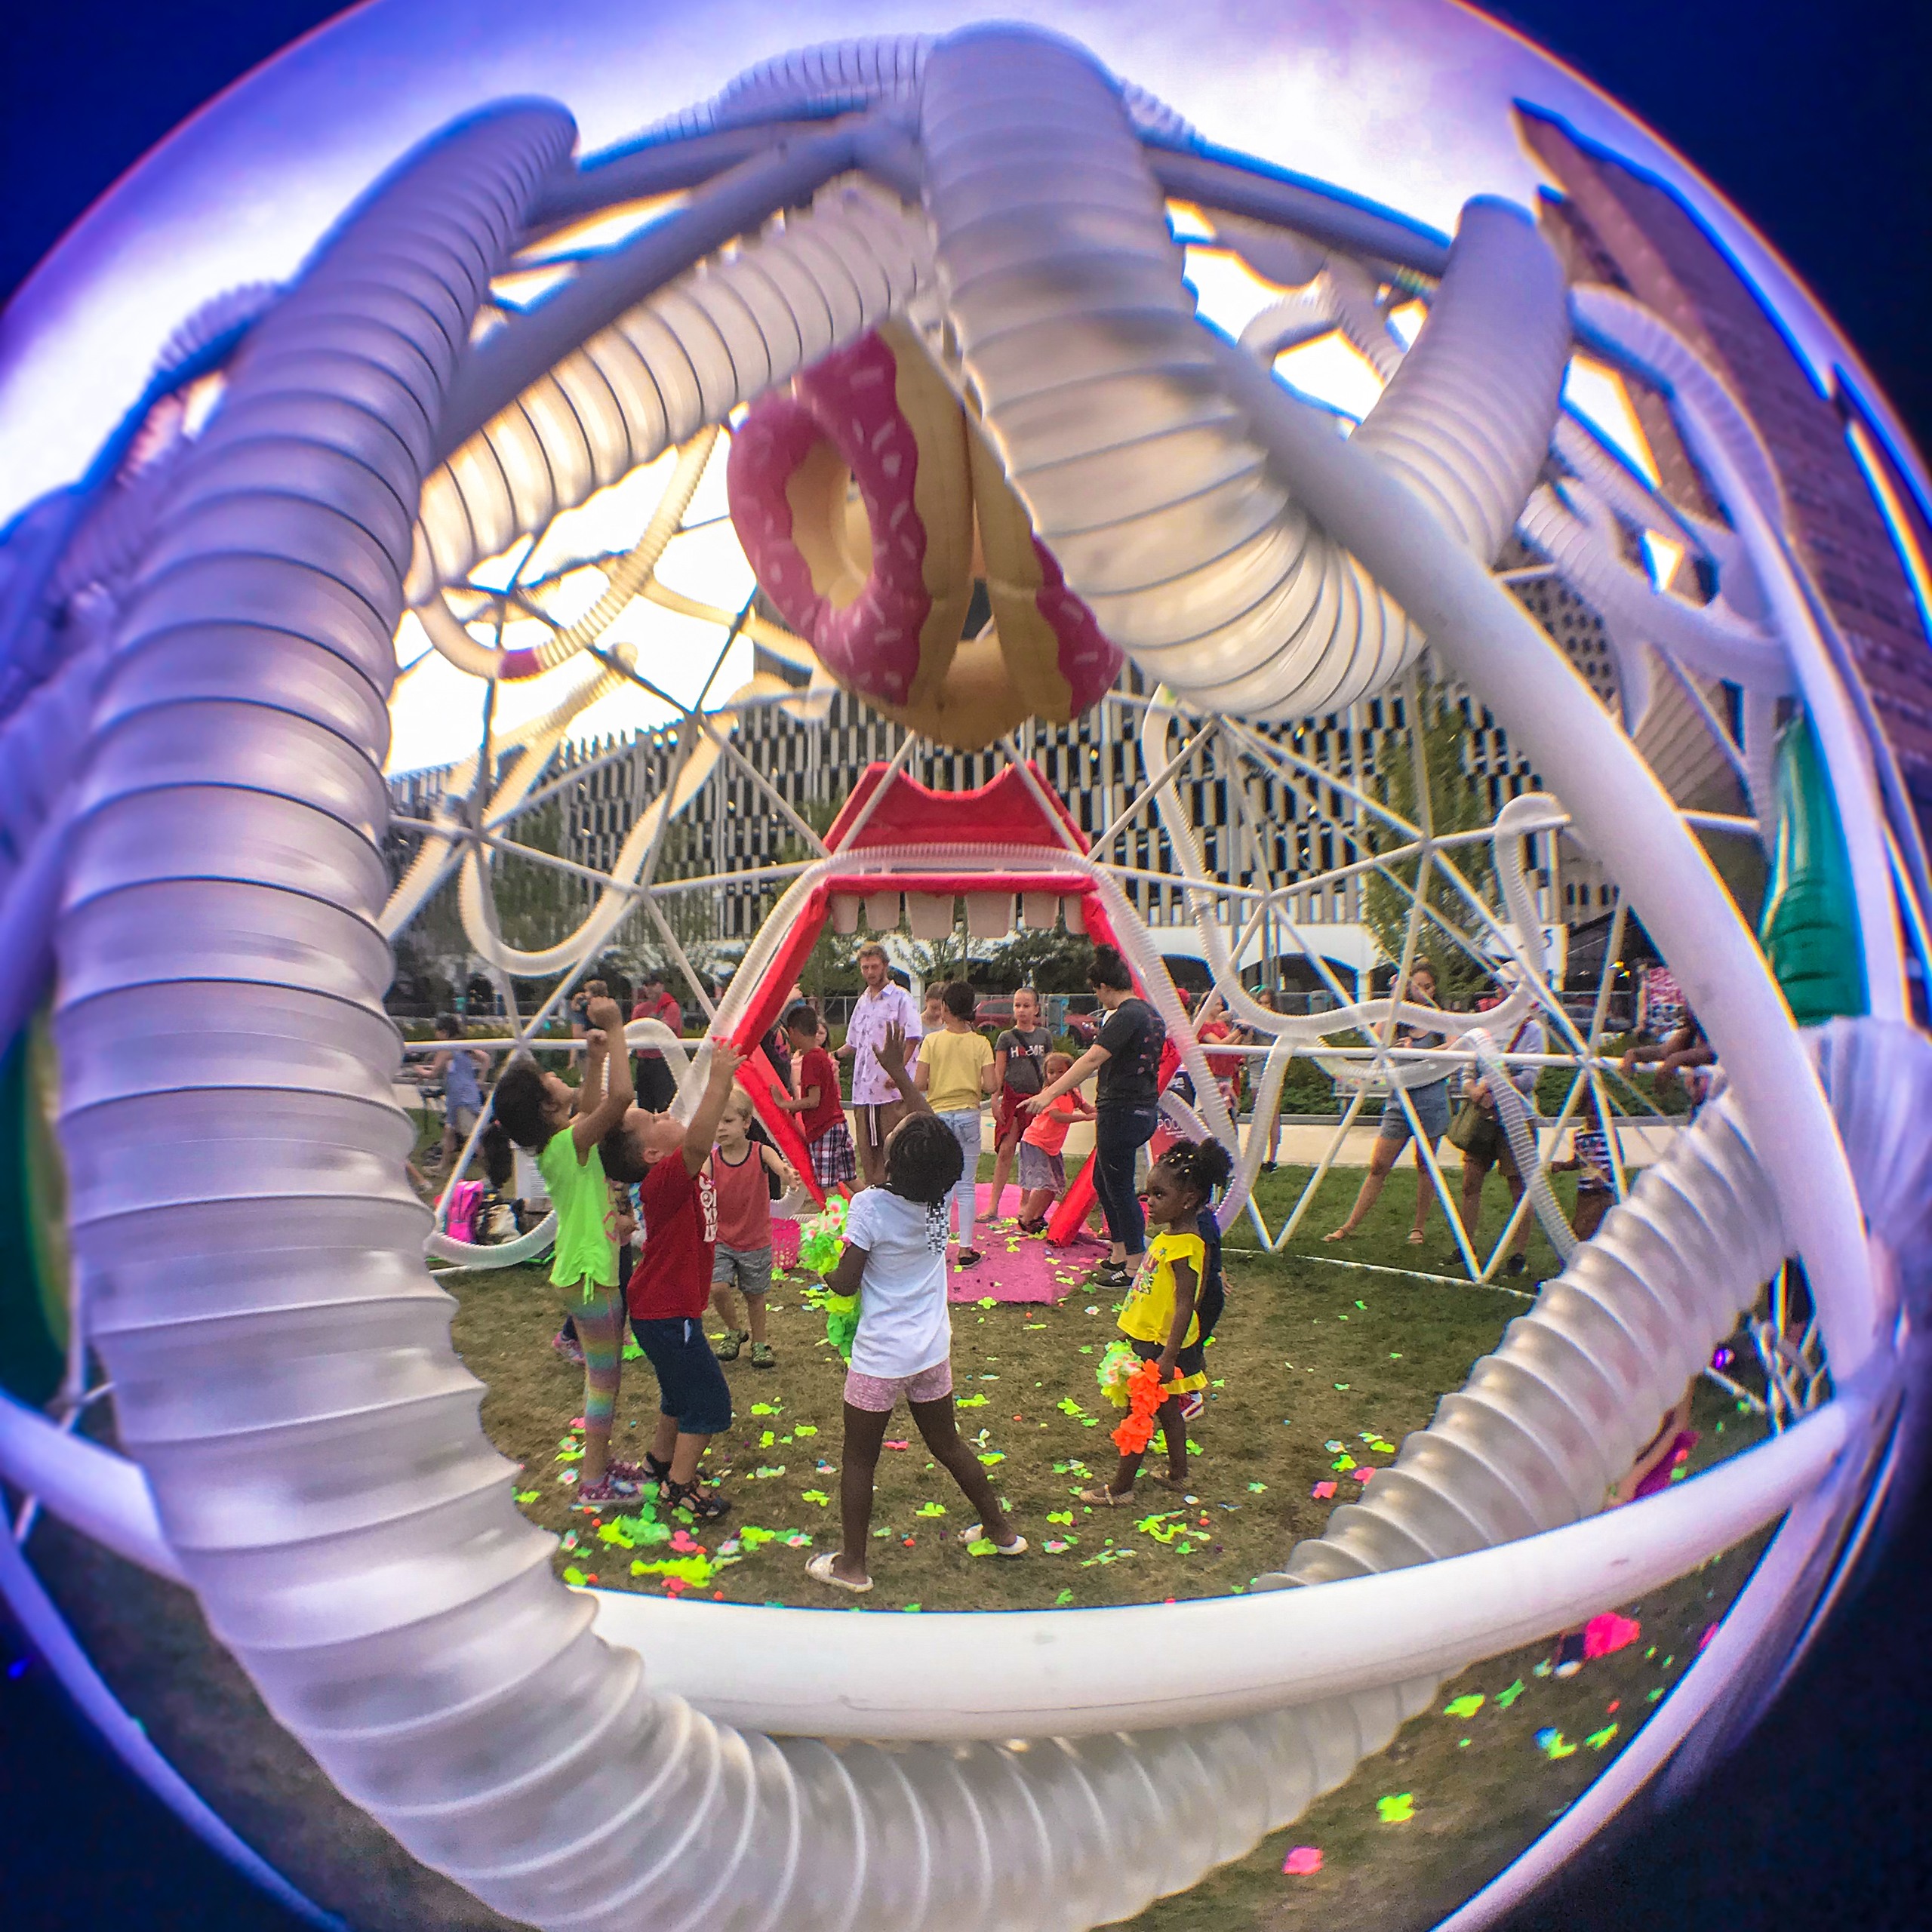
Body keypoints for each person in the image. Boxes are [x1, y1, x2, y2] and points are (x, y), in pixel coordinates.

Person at [805, 1023, 1024, 1593]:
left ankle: (853, 1565)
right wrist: (900, 1071)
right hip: (930, 1350)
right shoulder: (941, 1198)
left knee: (859, 1460)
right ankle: (1001, 1531)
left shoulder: (871, 1207)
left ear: (894, 1163)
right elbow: (933, 1135)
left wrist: (821, 1271)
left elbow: (847, 1285)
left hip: (880, 1356)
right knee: (949, 1444)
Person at [482, 998, 639, 1510]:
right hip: (592, 1273)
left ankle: (601, 1463)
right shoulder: (570, 1143)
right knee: (604, 1379)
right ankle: (593, 1480)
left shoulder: (562, 1142)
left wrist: (593, 1059)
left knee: (605, 1376)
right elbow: (619, 1099)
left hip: (584, 1270)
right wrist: (616, 1030)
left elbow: (591, 1105)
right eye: (551, 1081)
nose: (556, 1075)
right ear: (550, 1109)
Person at [600, 1041, 745, 1521]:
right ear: (653, 1152)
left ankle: (661, 1464)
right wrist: (719, 1079)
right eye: (654, 1118)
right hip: (665, 1311)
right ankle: (680, 1488)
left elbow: (698, 1145)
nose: (664, 1112)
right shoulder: (666, 1176)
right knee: (708, 1402)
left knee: (678, 1396)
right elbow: (700, 1140)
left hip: (667, 1309)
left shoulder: (673, 1172)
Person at [1078, 1139, 1232, 1506]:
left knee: (1139, 1413)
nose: (1149, 1203)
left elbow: (1185, 1305)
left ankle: (1120, 1489)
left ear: (1190, 1198)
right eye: (1148, 1194)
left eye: (1159, 1195)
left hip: (1159, 1347)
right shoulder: (1169, 1237)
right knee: (1168, 1409)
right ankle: (1178, 1473)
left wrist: (1168, 1355)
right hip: (1149, 1339)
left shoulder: (1187, 1246)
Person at [1024, 946, 1166, 1290]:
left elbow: (1091, 1060)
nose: (1097, 997)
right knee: (1105, 1182)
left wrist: (1047, 1094)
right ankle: (1119, 1252)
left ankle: (1133, 1263)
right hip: (1139, 1108)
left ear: (1104, 986)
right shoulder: (1151, 1015)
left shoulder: (1125, 1016)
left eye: (1095, 990)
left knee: (1119, 1187)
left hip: (1122, 1110)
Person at [1325, 961, 1450, 1247]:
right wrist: (1394, 1000)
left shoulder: (1441, 1020)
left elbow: (1455, 1046)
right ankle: (1350, 1224)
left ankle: (1418, 1228)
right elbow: (1376, 1036)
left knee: (1424, 1165)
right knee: (1379, 1165)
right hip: (1399, 1101)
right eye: (1416, 986)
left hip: (1430, 1100)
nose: (1423, 992)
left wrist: (1419, 1054)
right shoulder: (1399, 1019)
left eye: (1428, 986)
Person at [1455, 996, 1547, 1276]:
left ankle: (1518, 1254)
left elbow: (1530, 1077)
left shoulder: (1531, 1029)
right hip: (1484, 1117)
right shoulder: (1485, 1026)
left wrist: (1495, 1089)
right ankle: (1465, 1246)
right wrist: (1474, 1091)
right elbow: (1468, 1070)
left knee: (1519, 1186)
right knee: (1470, 1180)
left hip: (1517, 1116)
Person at [709, 1088, 796, 1368]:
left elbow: (778, 1166)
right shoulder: (711, 1159)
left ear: (746, 1123)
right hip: (722, 1239)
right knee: (717, 1288)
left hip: (756, 1240)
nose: (720, 1128)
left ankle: (760, 1343)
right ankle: (735, 1331)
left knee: (755, 1297)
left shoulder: (760, 1152)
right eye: (716, 1122)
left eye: (728, 1121)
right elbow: (697, 1182)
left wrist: (788, 1174)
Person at [915, 980, 998, 1267]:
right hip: (968, 1114)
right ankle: (965, 1249)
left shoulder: (932, 1041)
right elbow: (991, 1083)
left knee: (940, 1184)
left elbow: (919, 1083)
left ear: (946, 1009)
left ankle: (937, 1247)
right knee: (966, 1185)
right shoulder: (981, 1043)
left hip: (940, 1115)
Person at [839, 942, 924, 1186]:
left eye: (874, 966)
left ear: (885, 966)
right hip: (863, 1092)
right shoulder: (862, 1001)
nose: (869, 972)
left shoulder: (901, 999)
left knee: (894, 1148)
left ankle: (899, 1192)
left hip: (891, 1092)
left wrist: (898, 1072)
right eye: (865, 967)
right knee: (868, 1151)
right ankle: (876, 1195)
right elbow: (852, 1043)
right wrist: (831, 1056)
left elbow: (913, 1038)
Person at [986, 986, 1052, 1223]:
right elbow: (999, 1071)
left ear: (1036, 1009)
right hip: (1013, 1102)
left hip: (1036, 1100)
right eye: (1017, 1005)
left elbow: (1049, 1069)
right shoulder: (1006, 1038)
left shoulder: (1044, 1036)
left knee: (1031, 1152)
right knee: (1005, 1151)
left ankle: (1025, 1202)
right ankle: (993, 1205)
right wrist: (995, 1099)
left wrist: (1049, 1095)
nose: (1021, 1010)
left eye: (1026, 1006)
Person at [774, 1000, 855, 1190]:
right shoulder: (821, 1055)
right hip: (838, 1124)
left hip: (824, 1129)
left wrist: (785, 1104)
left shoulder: (810, 1059)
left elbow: (813, 1100)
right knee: (849, 1177)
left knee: (828, 1184)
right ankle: (873, 1209)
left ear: (793, 1032)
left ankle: (835, 1220)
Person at [1014, 1051, 1094, 1232]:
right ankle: (1025, 1219)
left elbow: (1086, 1107)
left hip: (1052, 1147)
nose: (1056, 1076)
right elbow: (1057, 1116)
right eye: (1051, 1072)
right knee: (1043, 1183)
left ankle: (1037, 1217)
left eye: (1061, 1072)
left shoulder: (1073, 1093)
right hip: (1036, 1142)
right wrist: (1085, 1118)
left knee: (1056, 1185)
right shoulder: (1049, 1094)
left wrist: (1099, 1112)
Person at [1550, 1087, 1618, 1244]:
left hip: (1604, 1190)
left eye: (1597, 1113)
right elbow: (1577, 1162)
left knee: (1600, 1224)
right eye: (1589, 1113)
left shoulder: (1608, 1133)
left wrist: (1606, 1175)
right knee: (1580, 1225)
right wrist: (1561, 1166)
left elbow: (1617, 1159)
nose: (1593, 1117)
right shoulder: (1579, 1135)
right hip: (1585, 1190)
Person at [428, 1014, 488, 1176]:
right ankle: (443, 1167)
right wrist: (480, 1079)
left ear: (445, 1032)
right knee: (449, 1133)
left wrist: (418, 1071)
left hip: (463, 1099)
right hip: (457, 1098)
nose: (436, 1035)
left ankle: (490, 1174)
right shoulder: (462, 1046)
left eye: (438, 1031)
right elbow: (486, 1058)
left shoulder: (447, 1048)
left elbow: (433, 1073)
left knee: (471, 1137)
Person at [630, 971, 686, 1112]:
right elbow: (633, 1032)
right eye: (646, 985)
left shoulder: (671, 1006)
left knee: (665, 1104)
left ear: (661, 986)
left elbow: (665, 1030)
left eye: (653, 984)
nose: (648, 988)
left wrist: (646, 1029)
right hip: (644, 1062)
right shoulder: (639, 1009)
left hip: (663, 1061)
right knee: (644, 1105)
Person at [1196, 990, 1244, 1123]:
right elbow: (1219, 1045)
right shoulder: (1202, 1026)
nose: (1221, 1008)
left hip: (1226, 1074)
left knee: (1230, 1114)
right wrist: (1238, 1030)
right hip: (1212, 1075)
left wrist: (1242, 1033)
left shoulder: (1220, 1024)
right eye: (1217, 1004)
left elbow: (1230, 1045)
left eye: (1221, 1004)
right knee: (1214, 1115)